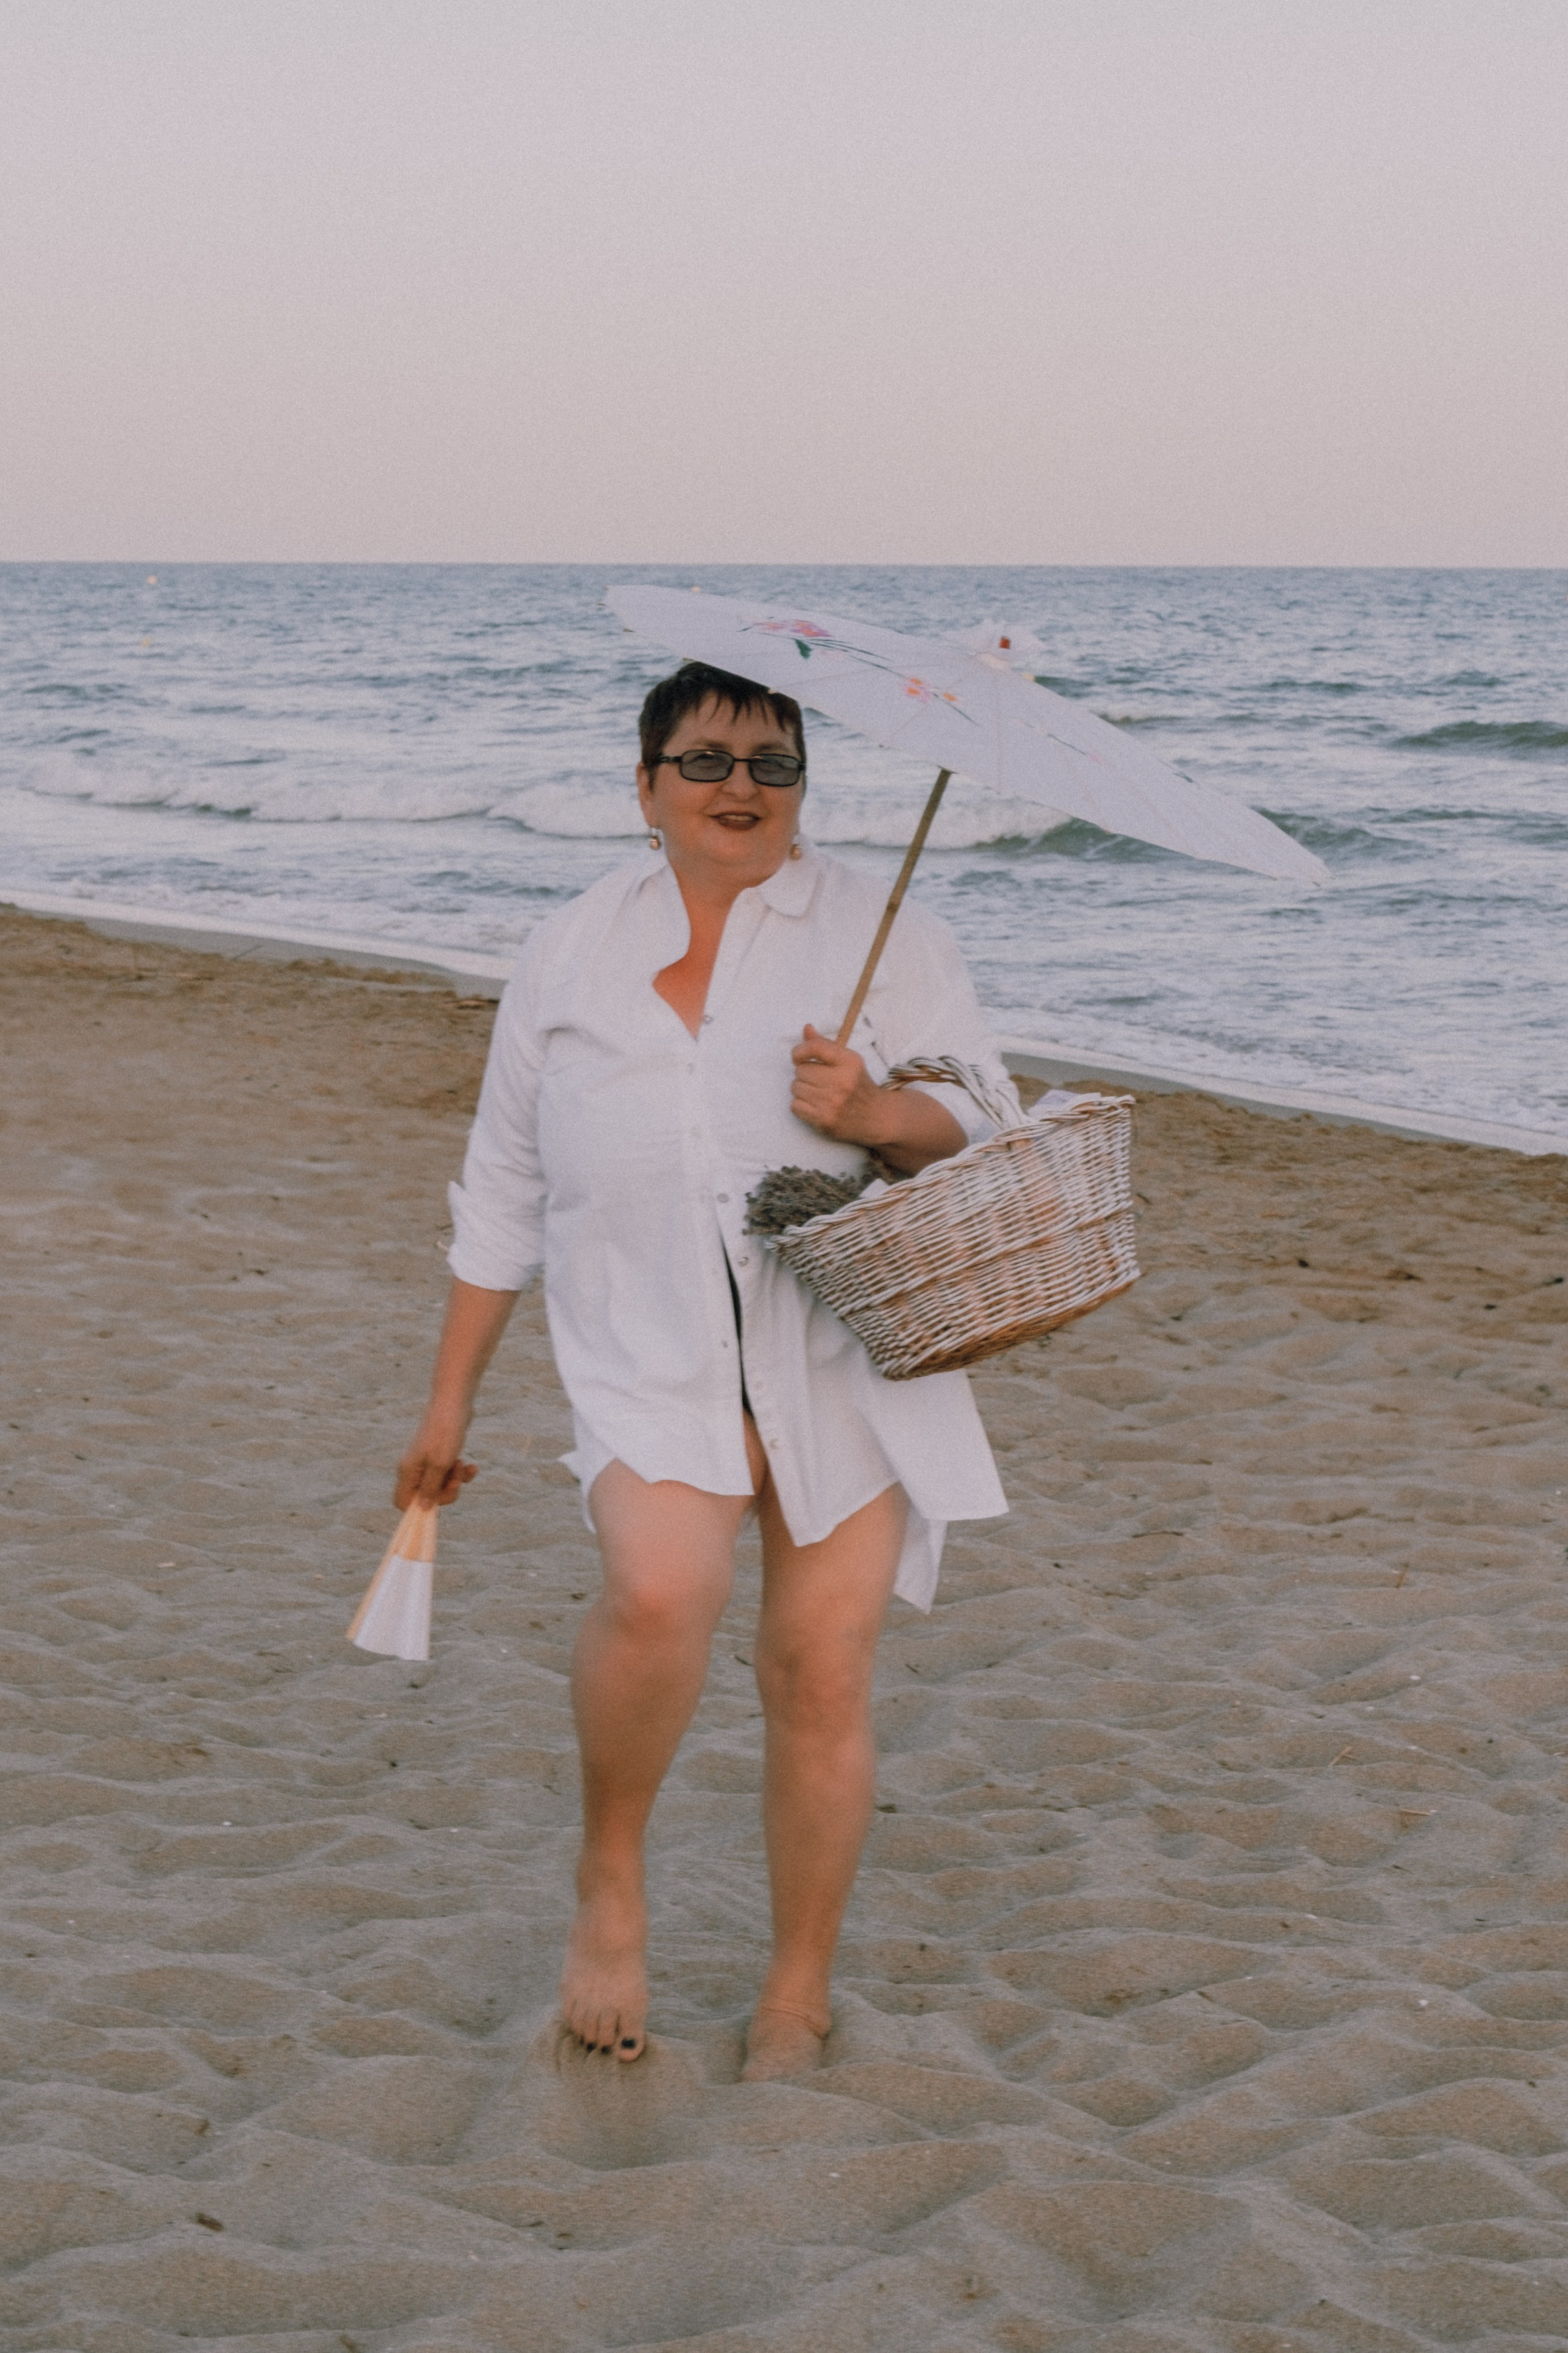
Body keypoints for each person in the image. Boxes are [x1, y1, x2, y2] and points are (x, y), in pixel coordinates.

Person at [396, 661, 1016, 2080]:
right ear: (645, 786)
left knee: (819, 1668)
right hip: (642, 1349)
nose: (741, 785)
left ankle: (795, 1992)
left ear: (803, 786)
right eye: (707, 759)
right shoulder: (566, 948)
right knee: (662, 1587)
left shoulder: (879, 926)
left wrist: (871, 1109)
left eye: (773, 762)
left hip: (842, 1353)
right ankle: (610, 1877)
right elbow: (501, 1183)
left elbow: (984, 1119)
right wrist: (447, 1404)